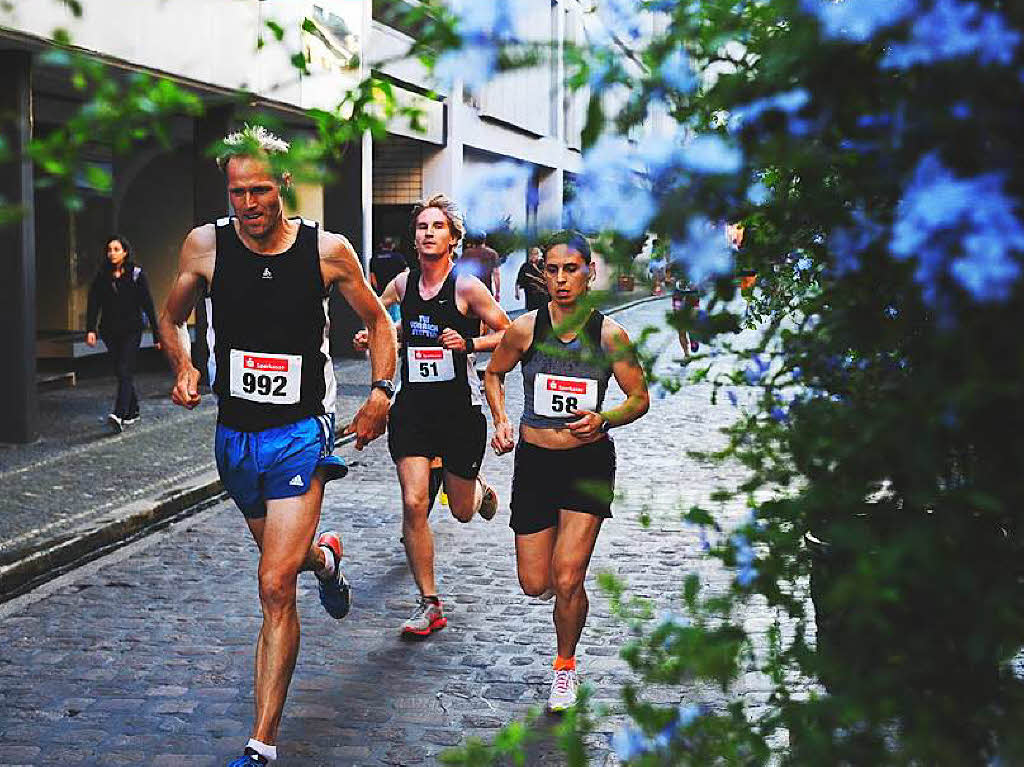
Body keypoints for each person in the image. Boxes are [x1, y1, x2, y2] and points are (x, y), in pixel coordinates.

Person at [158, 125, 396, 767]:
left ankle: (261, 743)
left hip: (301, 431)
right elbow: (171, 314)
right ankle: (324, 558)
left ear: (284, 185)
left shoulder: (328, 250)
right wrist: (183, 364)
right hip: (235, 436)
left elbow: (378, 322)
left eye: (260, 189)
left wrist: (380, 393)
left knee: (271, 585)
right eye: (238, 191)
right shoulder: (204, 246)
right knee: (285, 564)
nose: (249, 204)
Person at [483, 230, 650, 712]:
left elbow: (639, 399)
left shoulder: (609, 336)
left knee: (569, 575)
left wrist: (605, 418)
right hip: (535, 463)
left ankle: (564, 667)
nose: (560, 279)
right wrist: (501, 418)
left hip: (586, 463)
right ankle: (567, 597)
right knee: (536, 583)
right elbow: (493, 373)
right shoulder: (525, 330)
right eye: (552, 270)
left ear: (588, 273)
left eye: (570, 270)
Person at [354, 193, 511, 637]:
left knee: (461, 511)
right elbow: (385, 320)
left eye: (437, 227)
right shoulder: (403, 284)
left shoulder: (465, 287)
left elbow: (508, 333)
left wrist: (470, 344)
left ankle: (477, 490)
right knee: (413, 501)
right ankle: (429, 603)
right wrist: (373, 337)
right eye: (422, 226)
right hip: (414, 410)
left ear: (453, 238)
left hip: (459, 413)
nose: (427, 233)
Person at [86, 234, 161, 433]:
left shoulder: (136, 274)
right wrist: (90, 329)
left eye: (116, 249)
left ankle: (119, 414)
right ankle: (133, 410)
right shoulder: (102, 276)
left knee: (124, 369)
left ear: (125, 252)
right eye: (109, 250)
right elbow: (94, 304)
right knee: (121, 371)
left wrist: (157, 334)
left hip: (132, 330)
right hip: (110, 331)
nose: (112, 254)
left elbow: (148, 305)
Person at [369, 236, 408, 322]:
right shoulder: (398, 257)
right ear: (392, 246)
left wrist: (378, 290)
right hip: (395, 294)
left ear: (381, 245)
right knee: (396, 321)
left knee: (381, 320)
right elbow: (407, 274)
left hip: (381, 295)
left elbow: (372, 278)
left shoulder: (374, 259)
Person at [458, 232, 501, 301]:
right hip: (486, 290)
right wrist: (497, 292)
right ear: (484, 240)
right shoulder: (492, 254)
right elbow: (496, 274)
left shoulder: (467, 253)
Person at [515, 246, 548, 311]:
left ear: (540, 255)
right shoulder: (525, 266)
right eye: (532, 254)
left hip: (544, 297)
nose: (533, 256)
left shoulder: (545, 265)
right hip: (531, 297)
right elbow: (519, 280)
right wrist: (517, 292)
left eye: (535, 254)